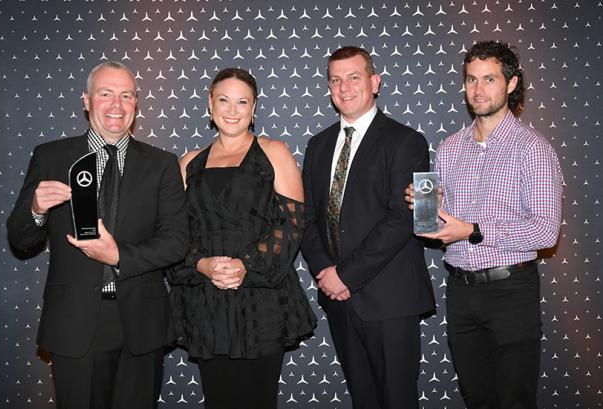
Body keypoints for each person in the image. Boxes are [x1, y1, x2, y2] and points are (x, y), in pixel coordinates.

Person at [7, 61, 190, 409]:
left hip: (141, 323)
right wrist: (36, 209)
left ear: (136, 104)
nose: (117, 105)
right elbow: (19, 238)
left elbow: (177, 241)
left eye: (126, 96)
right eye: (106, 94)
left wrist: (118, 256)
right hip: (74, 322)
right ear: (87, 101)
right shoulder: (51, 157)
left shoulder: (162, 163)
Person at [406, 41, 563, 409]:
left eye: (489, 79)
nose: (478, 90)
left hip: (511, 292)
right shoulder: (449, 148)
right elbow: (445, 224)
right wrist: (429, 207)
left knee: (514, 401)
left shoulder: (532, 148)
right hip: (460, 291)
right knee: (477, 400)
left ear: (511, 84)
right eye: (471, 80)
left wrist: (472, 230)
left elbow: (545, 231)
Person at [167, 68, 316, 409]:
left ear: (253, 109)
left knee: (258, 400)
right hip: (204, 302)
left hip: (260, 302)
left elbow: (291, 226)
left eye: (242, 102)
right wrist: (201, 264)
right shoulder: (188, 163)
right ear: (209, 103)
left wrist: (244, 266)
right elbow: (173, 235)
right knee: (218, 400)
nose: (232, 110)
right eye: (223, 100)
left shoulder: (274, 153)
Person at [300, 46, 435, 409]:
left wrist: (345, 275)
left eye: (354, 77)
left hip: (389, 300)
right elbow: (307, 217)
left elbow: (403, 218)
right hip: (339, 302)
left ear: (374, 82)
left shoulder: (408, 141)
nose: (344, 88)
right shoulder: (317, 146)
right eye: (335, 80)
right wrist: (324, 271)